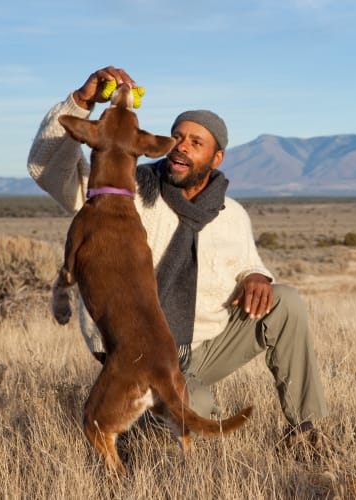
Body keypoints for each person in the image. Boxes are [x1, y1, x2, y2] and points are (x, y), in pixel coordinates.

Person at [27, 66, 329, 451]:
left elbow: (250, 264)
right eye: (178, 137)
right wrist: (82, 101)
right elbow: (45, 168)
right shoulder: (121, 193)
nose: (182, 146)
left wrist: (257, 277)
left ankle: (308, 432)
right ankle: (142, 417)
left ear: (216, 157)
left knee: (286, 301)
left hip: (202, 348)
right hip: (135, 352)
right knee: (195, 408)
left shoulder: (231, 213)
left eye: (195, 142)